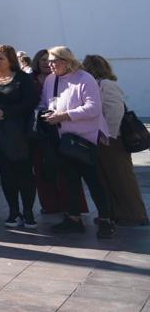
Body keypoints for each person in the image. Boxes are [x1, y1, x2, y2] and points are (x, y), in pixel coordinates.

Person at [40, 47, 115, 238]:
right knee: (69, 181)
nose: (50, 65)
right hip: (63, 140)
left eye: (54, 61)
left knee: (94, 182)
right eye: (48, 61)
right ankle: (73, 219)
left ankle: (106, 221)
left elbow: (93, 108)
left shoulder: (84, 78)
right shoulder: (51, 79)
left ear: (66, 61)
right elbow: (47, 103)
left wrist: (64, 116)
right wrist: (49, 113)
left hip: (86, 140)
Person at [0, 44, 38, 227]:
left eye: (0, 57)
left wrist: (7, 113)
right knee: (6, 172)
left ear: (11, 60)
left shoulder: (22, 79)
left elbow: (30, 102)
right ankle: (13, 211)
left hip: (18, 132)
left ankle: (28, 212)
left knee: (24, 172)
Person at [82, 55, 149, 227]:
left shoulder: (107, 85)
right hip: (102, 138)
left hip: (113, 139)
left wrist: (108, 136)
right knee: (108, 179)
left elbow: (115, 112)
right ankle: (116, 214)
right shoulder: (97, 85)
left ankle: (135, 215)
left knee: (122, 179)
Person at [30, 47, 82, 216]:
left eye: (50, 60)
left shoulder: (61, 78)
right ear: (37, 62)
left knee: (65, 169)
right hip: (40, 130)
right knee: (42, 168)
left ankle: (72, 207)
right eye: (43, 60)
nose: (47, 63)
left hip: (60, 128)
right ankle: (50, 205)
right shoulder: (31, 80)